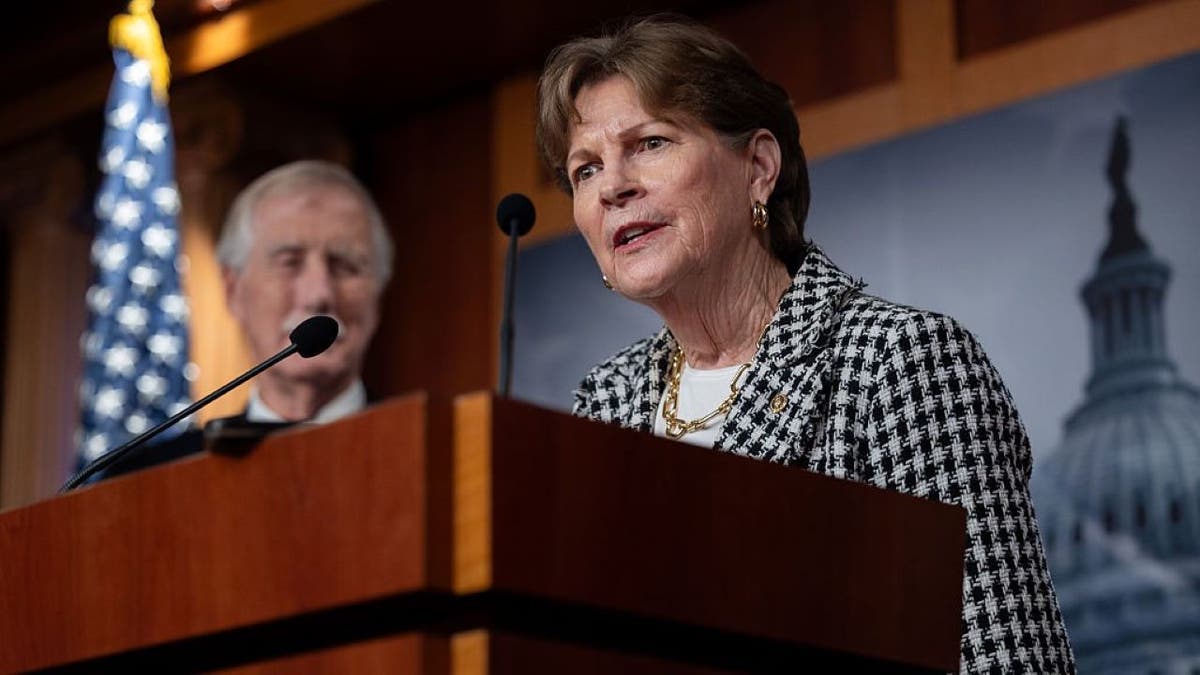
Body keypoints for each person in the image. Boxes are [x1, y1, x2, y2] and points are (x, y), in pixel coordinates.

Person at [536, 15, 1074, 673]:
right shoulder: (606, 404)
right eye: (585, 168)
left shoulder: (901, 362)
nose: (613, 186)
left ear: (758, 167)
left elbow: (1010, 660)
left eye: (649, 143)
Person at [94, 160, 391, 478]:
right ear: (233, 290)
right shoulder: (148, 480)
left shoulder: (437, 454)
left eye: (345, 265)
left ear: (380, 290)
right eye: (289, 263)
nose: (319, 294)